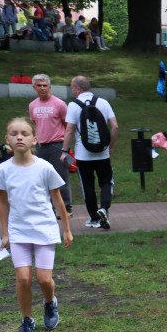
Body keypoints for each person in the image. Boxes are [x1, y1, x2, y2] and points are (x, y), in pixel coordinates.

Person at [0, 117, 73, 332]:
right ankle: (27, 320)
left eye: (24, 133)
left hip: (44, 229)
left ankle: (50, 303)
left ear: (35, 139)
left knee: (43, 279)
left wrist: (66, 229)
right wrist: (5, 232)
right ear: (7, 139)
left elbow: (58, 200)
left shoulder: (44, 167)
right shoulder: (3, 169)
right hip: (18, 230)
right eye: (14, 133)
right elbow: (2, 202)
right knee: (22, 279)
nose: (19, 137)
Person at [62, 75, 117, 230]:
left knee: (88, 186)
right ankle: (104, 209)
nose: (72, 91)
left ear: (78, 89)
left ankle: (94, 218)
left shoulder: (73, 105)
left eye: (72, 88)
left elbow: (69, 131)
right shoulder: (103, 102)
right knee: (106, 182)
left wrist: (65, 151)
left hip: (82, 155)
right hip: (103, 153)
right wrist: (110, 146)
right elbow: (115, 126)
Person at [29, 74, 73, 217]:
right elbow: (35, 125)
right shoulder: (33, 105)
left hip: (57, 145)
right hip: (41, 147)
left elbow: (68, 127)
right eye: (39, 85)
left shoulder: (59, 104)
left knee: (61, 177)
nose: (42, 88)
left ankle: (66, 208)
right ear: (34, 87)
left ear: (49, 87)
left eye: (45, 85)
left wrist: (65, 148)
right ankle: (48, 208)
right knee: (41, 178)